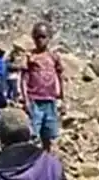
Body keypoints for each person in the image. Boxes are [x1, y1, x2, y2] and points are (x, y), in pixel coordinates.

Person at [23, 22, 65, 153]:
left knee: (49, 135)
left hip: (50, 100)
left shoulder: (54, 57)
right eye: (37, 37)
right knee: (34, 134)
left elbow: (60, 77)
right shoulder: (30, 57)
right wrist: (25, 99)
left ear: (49, 38)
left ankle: (46, 162)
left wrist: (63, 98)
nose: (40, 40)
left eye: (43, 36)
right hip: (35, 99)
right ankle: (34, 161)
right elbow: (23, 79)